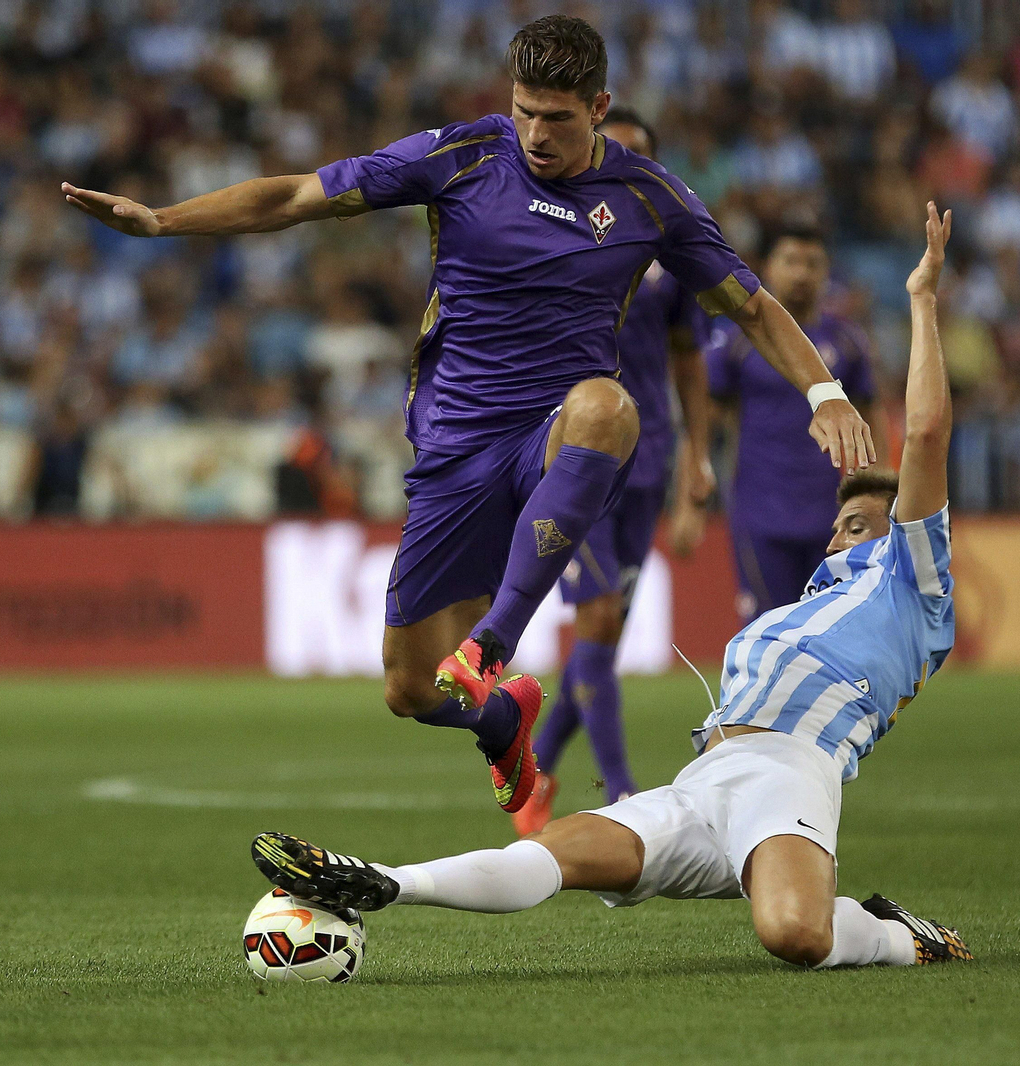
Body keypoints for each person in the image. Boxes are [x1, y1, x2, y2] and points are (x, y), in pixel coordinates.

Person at [64, 14, 873, 815]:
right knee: (408, 688)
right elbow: (298, 194)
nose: (535, 134)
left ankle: (493, 643)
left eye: (556, 116)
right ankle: (498, 713)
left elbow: (754, 307)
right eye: (524, 110)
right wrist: (163, 220)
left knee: (606, 406)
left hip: (558, 436)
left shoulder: (648, 198)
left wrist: (826, 393)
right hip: (455, 449)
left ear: (599, 106)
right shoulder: (461, 156)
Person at [250, 204, 970, 972]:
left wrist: (922, 299)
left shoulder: (917, 586)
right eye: (844, 522)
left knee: (795, 935)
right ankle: (386, 882)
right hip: (706, 779)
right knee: (548, 857)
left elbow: (924, 434)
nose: (841, 532)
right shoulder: (804, 606)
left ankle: (900, 937)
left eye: (863, 522)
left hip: (790, 771)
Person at [518, 108, 714, 831]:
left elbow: (691, 363)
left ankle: (531, 767)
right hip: (575, 455)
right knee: (597, 619)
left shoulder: (669, 257)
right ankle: (623, 796)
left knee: (604, 637)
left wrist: (697, 461)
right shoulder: (552, 235)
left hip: (651, 460)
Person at [707, 224, 885, 620]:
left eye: (813, 263)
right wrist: (692, 485)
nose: (802, 273)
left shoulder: (848, 342)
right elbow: (708, 415)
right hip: (760, 512)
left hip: (833, 516)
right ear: (767, 267)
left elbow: (871, 418)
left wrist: (881, 494)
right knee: (767, 632)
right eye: (791, 261)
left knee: (831, 634)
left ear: (827, 272)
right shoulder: (737, 339)